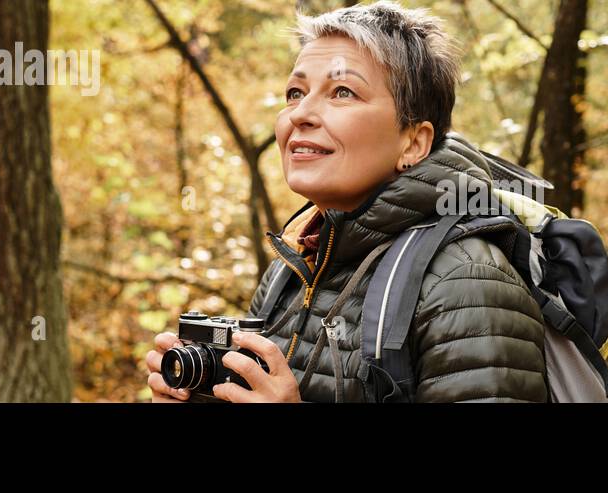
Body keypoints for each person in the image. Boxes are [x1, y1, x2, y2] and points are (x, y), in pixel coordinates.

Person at [145, 1, 549, 403]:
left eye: (342, 91)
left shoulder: (464, 280)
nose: (301, 113)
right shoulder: (290, 271)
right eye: (295, 92)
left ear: (414, 141)